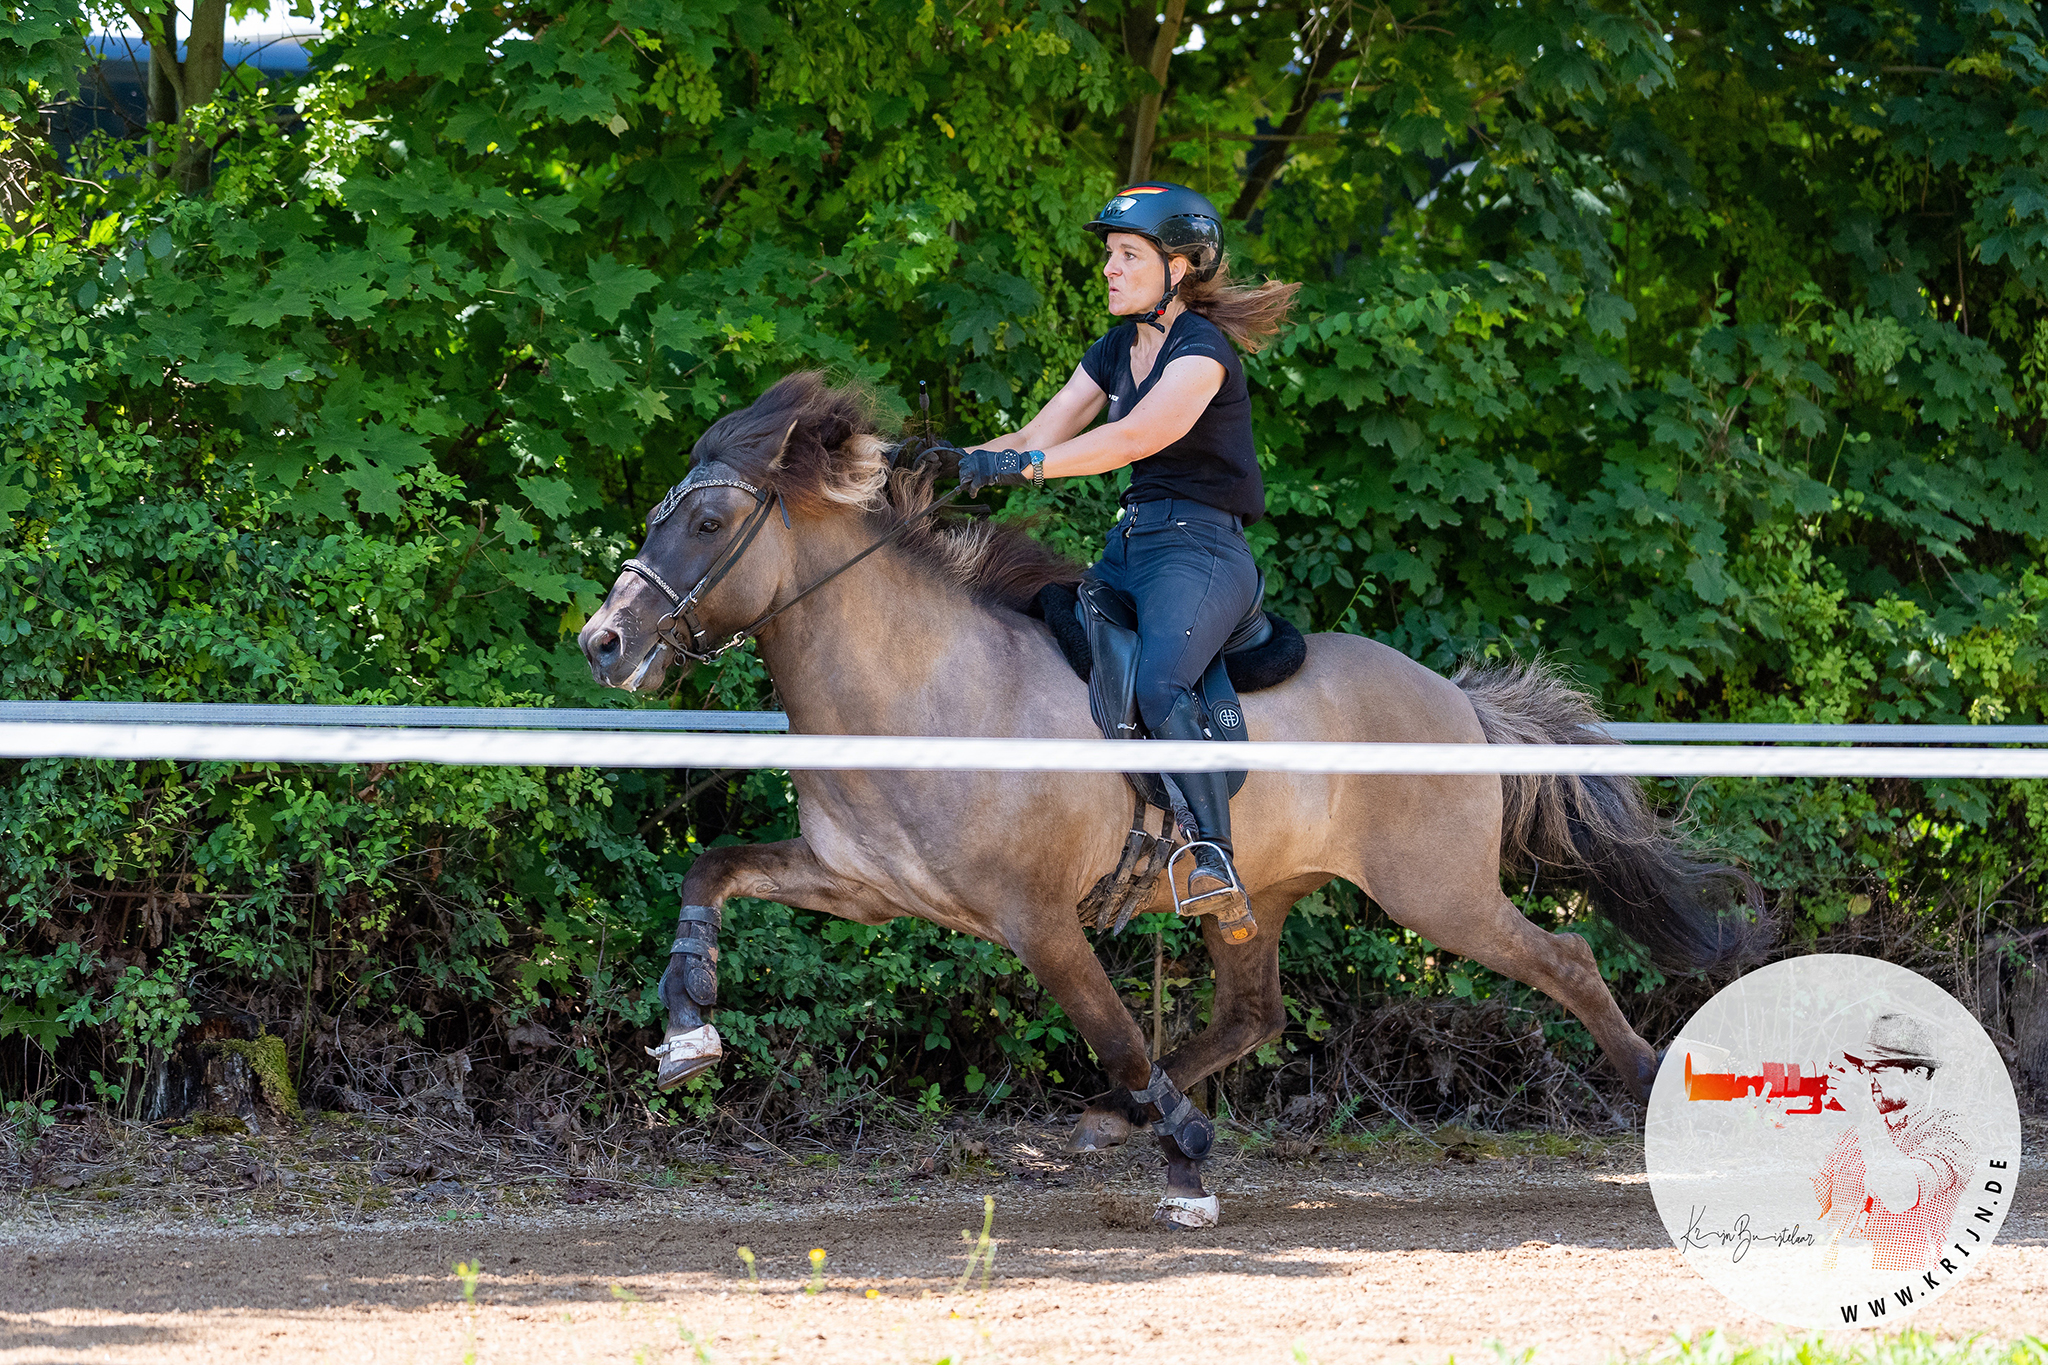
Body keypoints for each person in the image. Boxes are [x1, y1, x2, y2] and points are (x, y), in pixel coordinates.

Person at [953, 183, 1299, 940]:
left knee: (1161, 678)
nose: (1109, 269)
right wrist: (949, 462)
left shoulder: (1202, 353)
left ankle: (1215, 861)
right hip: (1132, 547)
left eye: (1128, 256)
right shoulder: (1115, 349)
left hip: (1203, 549)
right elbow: (1038, 431)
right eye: (1109, 255)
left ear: (1180, 268)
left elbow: (1129, 441)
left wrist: (1024, 469)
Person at [1811, 1012, 1972, 1272]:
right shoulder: (1858, 1132)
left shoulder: (1951, 1132)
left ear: (1919, 1074)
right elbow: (1811, 1201)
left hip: (1902, 1279)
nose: (1868, 1080)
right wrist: (1780, 1123)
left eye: (1880, 1070)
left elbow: (1900, 1192)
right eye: (1865, 1069)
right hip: (1838, 1284)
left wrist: (1865, 1116)